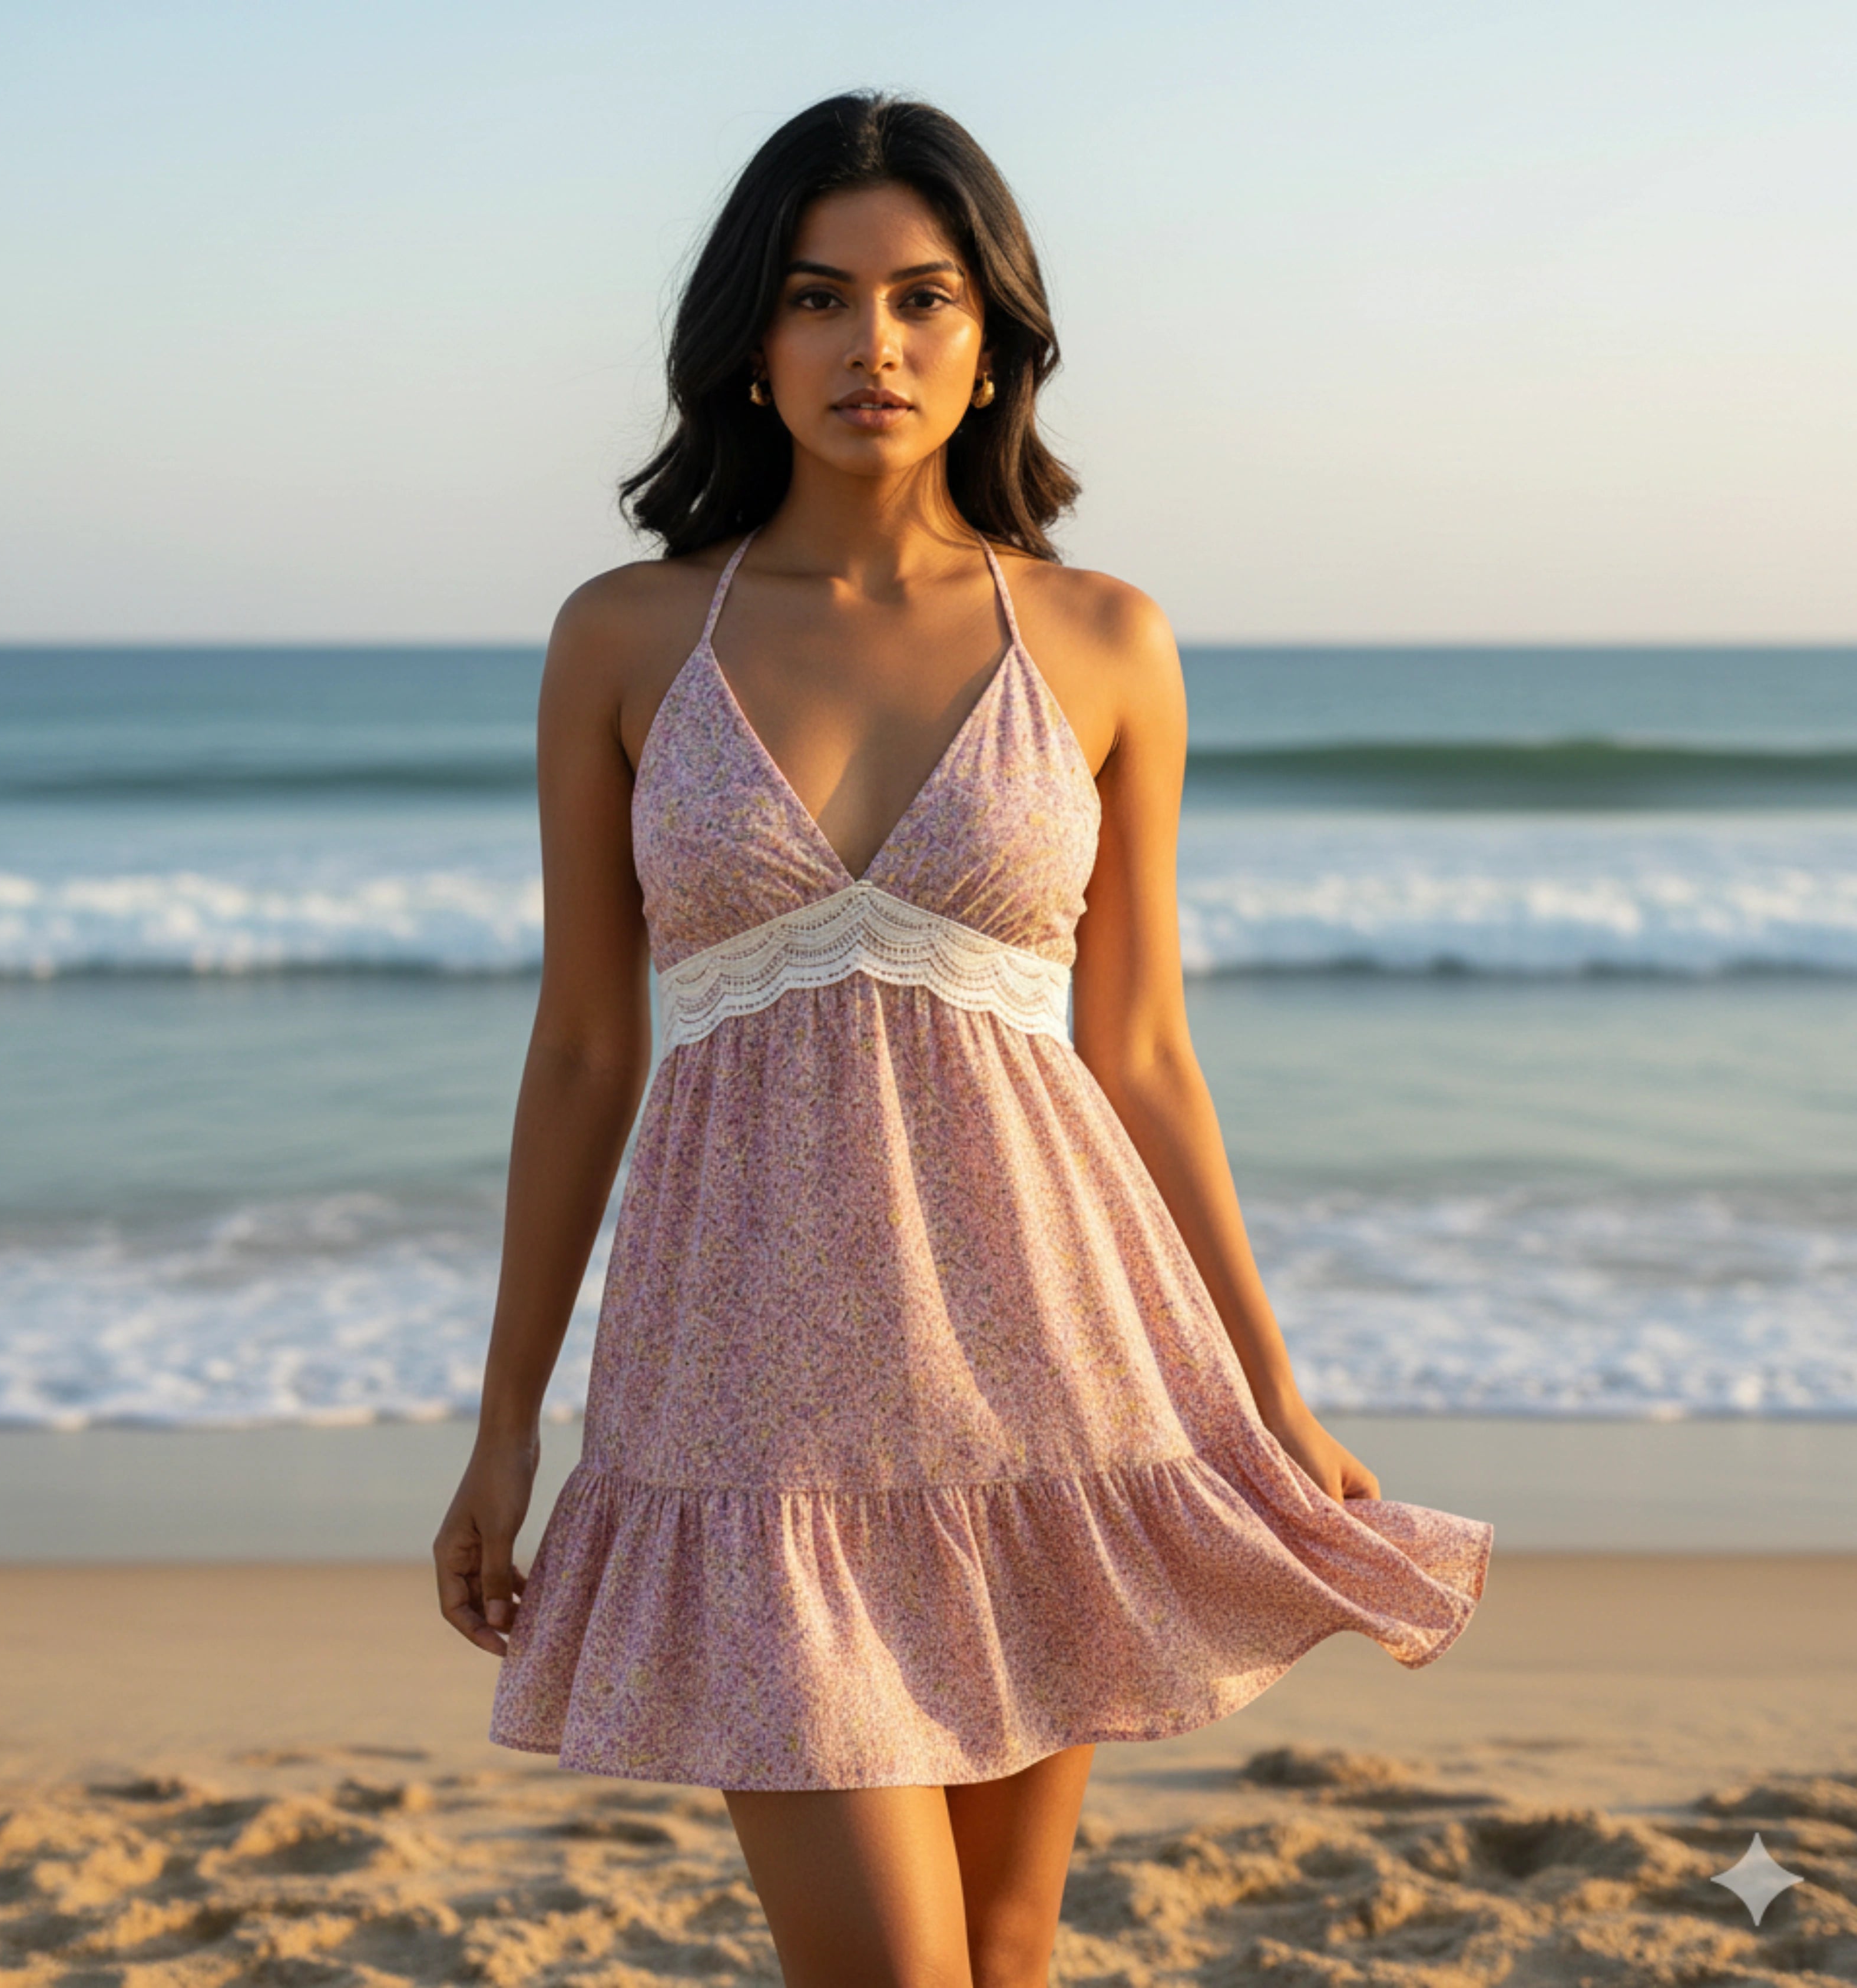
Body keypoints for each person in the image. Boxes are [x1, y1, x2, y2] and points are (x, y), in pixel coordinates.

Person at [434, 90, 1491, 1988]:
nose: (876, 347)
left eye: (924, 298)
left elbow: (1145, 1049)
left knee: (1005, 1961)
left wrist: (1268, 1386)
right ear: (749, 342)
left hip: (1048, 1378)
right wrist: (509, 1424)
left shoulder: (1101, 640)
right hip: (748, 1402)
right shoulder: (624, 636)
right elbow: (589, 1048)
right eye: (821, 300)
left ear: (993, 332)